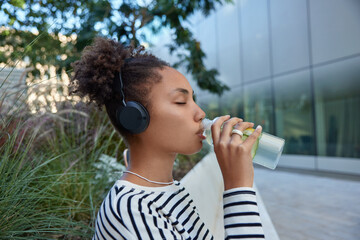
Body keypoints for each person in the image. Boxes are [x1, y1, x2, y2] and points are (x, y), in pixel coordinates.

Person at [70, 37, 265, 240]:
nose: (200, 113)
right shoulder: (130, 209)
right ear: (135, 118)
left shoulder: (169, 191)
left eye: (193, 100)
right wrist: (238, 186)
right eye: (181, 102)